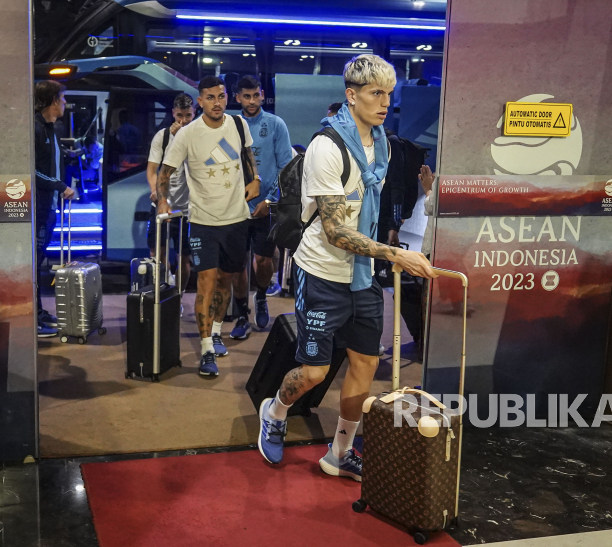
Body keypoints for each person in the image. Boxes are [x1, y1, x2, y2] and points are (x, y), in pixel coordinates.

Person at [256, 55, 436, 480]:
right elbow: (336, 232)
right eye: (376, 93)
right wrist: (396, 255)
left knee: (365, 365)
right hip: (321, 272)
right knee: (316, 371)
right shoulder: (326, 147)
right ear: (351, 96)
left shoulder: (384, 144)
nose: (385, 101)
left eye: (389, 93)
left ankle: (339, 452)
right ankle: (275, 411)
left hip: (362, 276)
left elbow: (370, 210)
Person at [156, 76, 260, 377]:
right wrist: (163, 201)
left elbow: (248, 156)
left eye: (222, 96)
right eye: (211, 97)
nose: (217, 102)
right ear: (199, 101)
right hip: (203, 221)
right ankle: (205, 349)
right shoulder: (187, 134)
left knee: (227, 280)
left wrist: (256, 180)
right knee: (206, 281)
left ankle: (215, 331)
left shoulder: (239, 125)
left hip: (237, 219)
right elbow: (166, 171)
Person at [230, 76, 295, 340]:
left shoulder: (275, 124)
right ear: (238, 98)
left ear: (262, 94)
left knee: (264, 260)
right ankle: (242, 315)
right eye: (246, 96)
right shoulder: (230, 124)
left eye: (256, 95)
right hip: (234, 209)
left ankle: (260, 297)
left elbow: (286, 168)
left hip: (266, 207)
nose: (252, 101)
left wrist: (270, 201)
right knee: (237, 265)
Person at [34, 80, 76, 338]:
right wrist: (60, 186)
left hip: (50, 208)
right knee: (34, 263)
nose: (64, 103)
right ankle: (33, 320)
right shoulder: (36, 129)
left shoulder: (51, 129)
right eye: (61, 98)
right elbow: (33, 170)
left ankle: (38, 313)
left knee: (38, 263)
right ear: (51, 101)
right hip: (39, 207)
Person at [145, 93, 195, 296]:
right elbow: (152, 170)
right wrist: (155, 191)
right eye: (180, 115)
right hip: (163, 206)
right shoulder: (163, 136)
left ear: (195, 113)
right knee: (157, 253)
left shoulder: (198, 136)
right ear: (173, 113)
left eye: (189, 116)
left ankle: (179, 295)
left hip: (187, 209)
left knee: (184, 258)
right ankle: (165, 289)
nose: (183, 121)